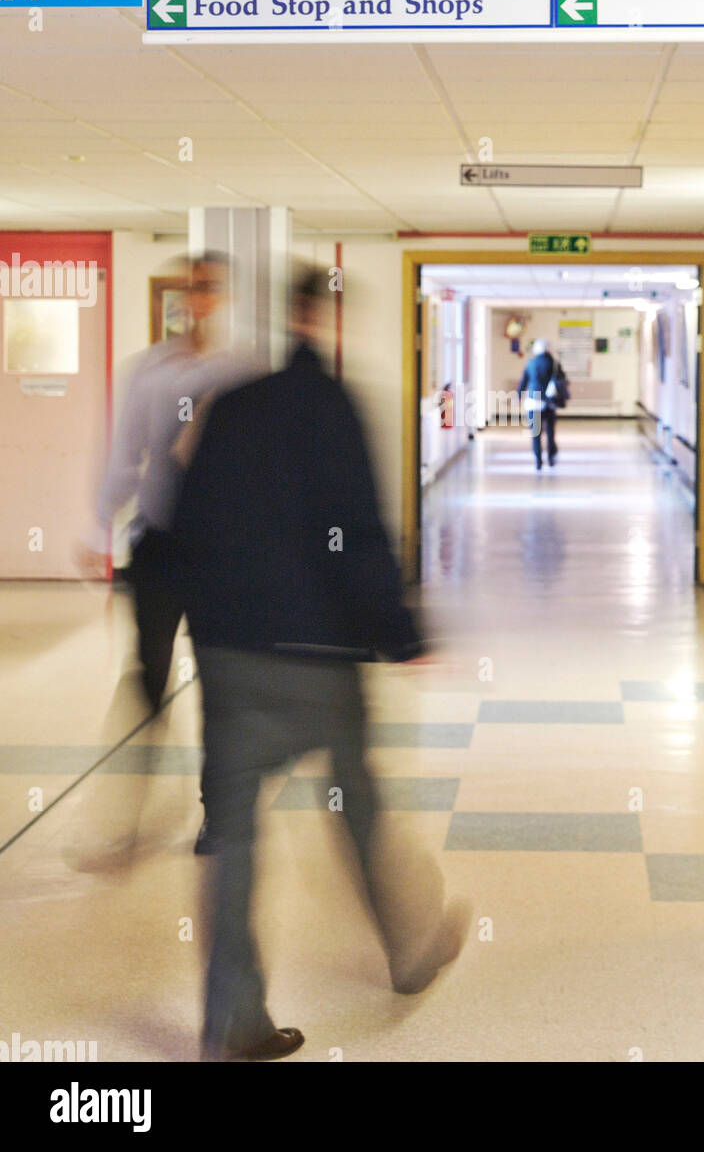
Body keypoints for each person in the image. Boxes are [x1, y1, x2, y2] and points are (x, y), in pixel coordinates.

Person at [171, 265, 469, 1062]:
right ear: (328, 316)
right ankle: (408, 952)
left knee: (231, 836)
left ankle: (231, 1019)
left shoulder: (230, 407)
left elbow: (185, 523)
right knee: (356, 801)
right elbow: (356, 534)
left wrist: (199, 628)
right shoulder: (333, 404)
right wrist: (403, 635)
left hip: (231, 658)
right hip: (315, 659)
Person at [76, 251, 254, 855]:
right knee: (147, 680)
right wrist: (100, 524)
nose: (200, 299)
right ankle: (126, 816)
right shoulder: (149, 372)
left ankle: (220, 814)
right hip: (157, 544)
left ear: (223, 297)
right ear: (182, 297)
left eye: (210, 288)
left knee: (220, 686)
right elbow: (125, 454)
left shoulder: (237, 374)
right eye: (192, 288)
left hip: (220, 552)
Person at [518, 337, 566, 470]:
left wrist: (518, 395)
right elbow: (562, 380)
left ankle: (538, 461)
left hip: (534, 402)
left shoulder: (531, 363)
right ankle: (551, 458)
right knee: (550, 432)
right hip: (549, 403)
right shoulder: (554, 363)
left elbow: (524, 381)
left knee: (536, 433)